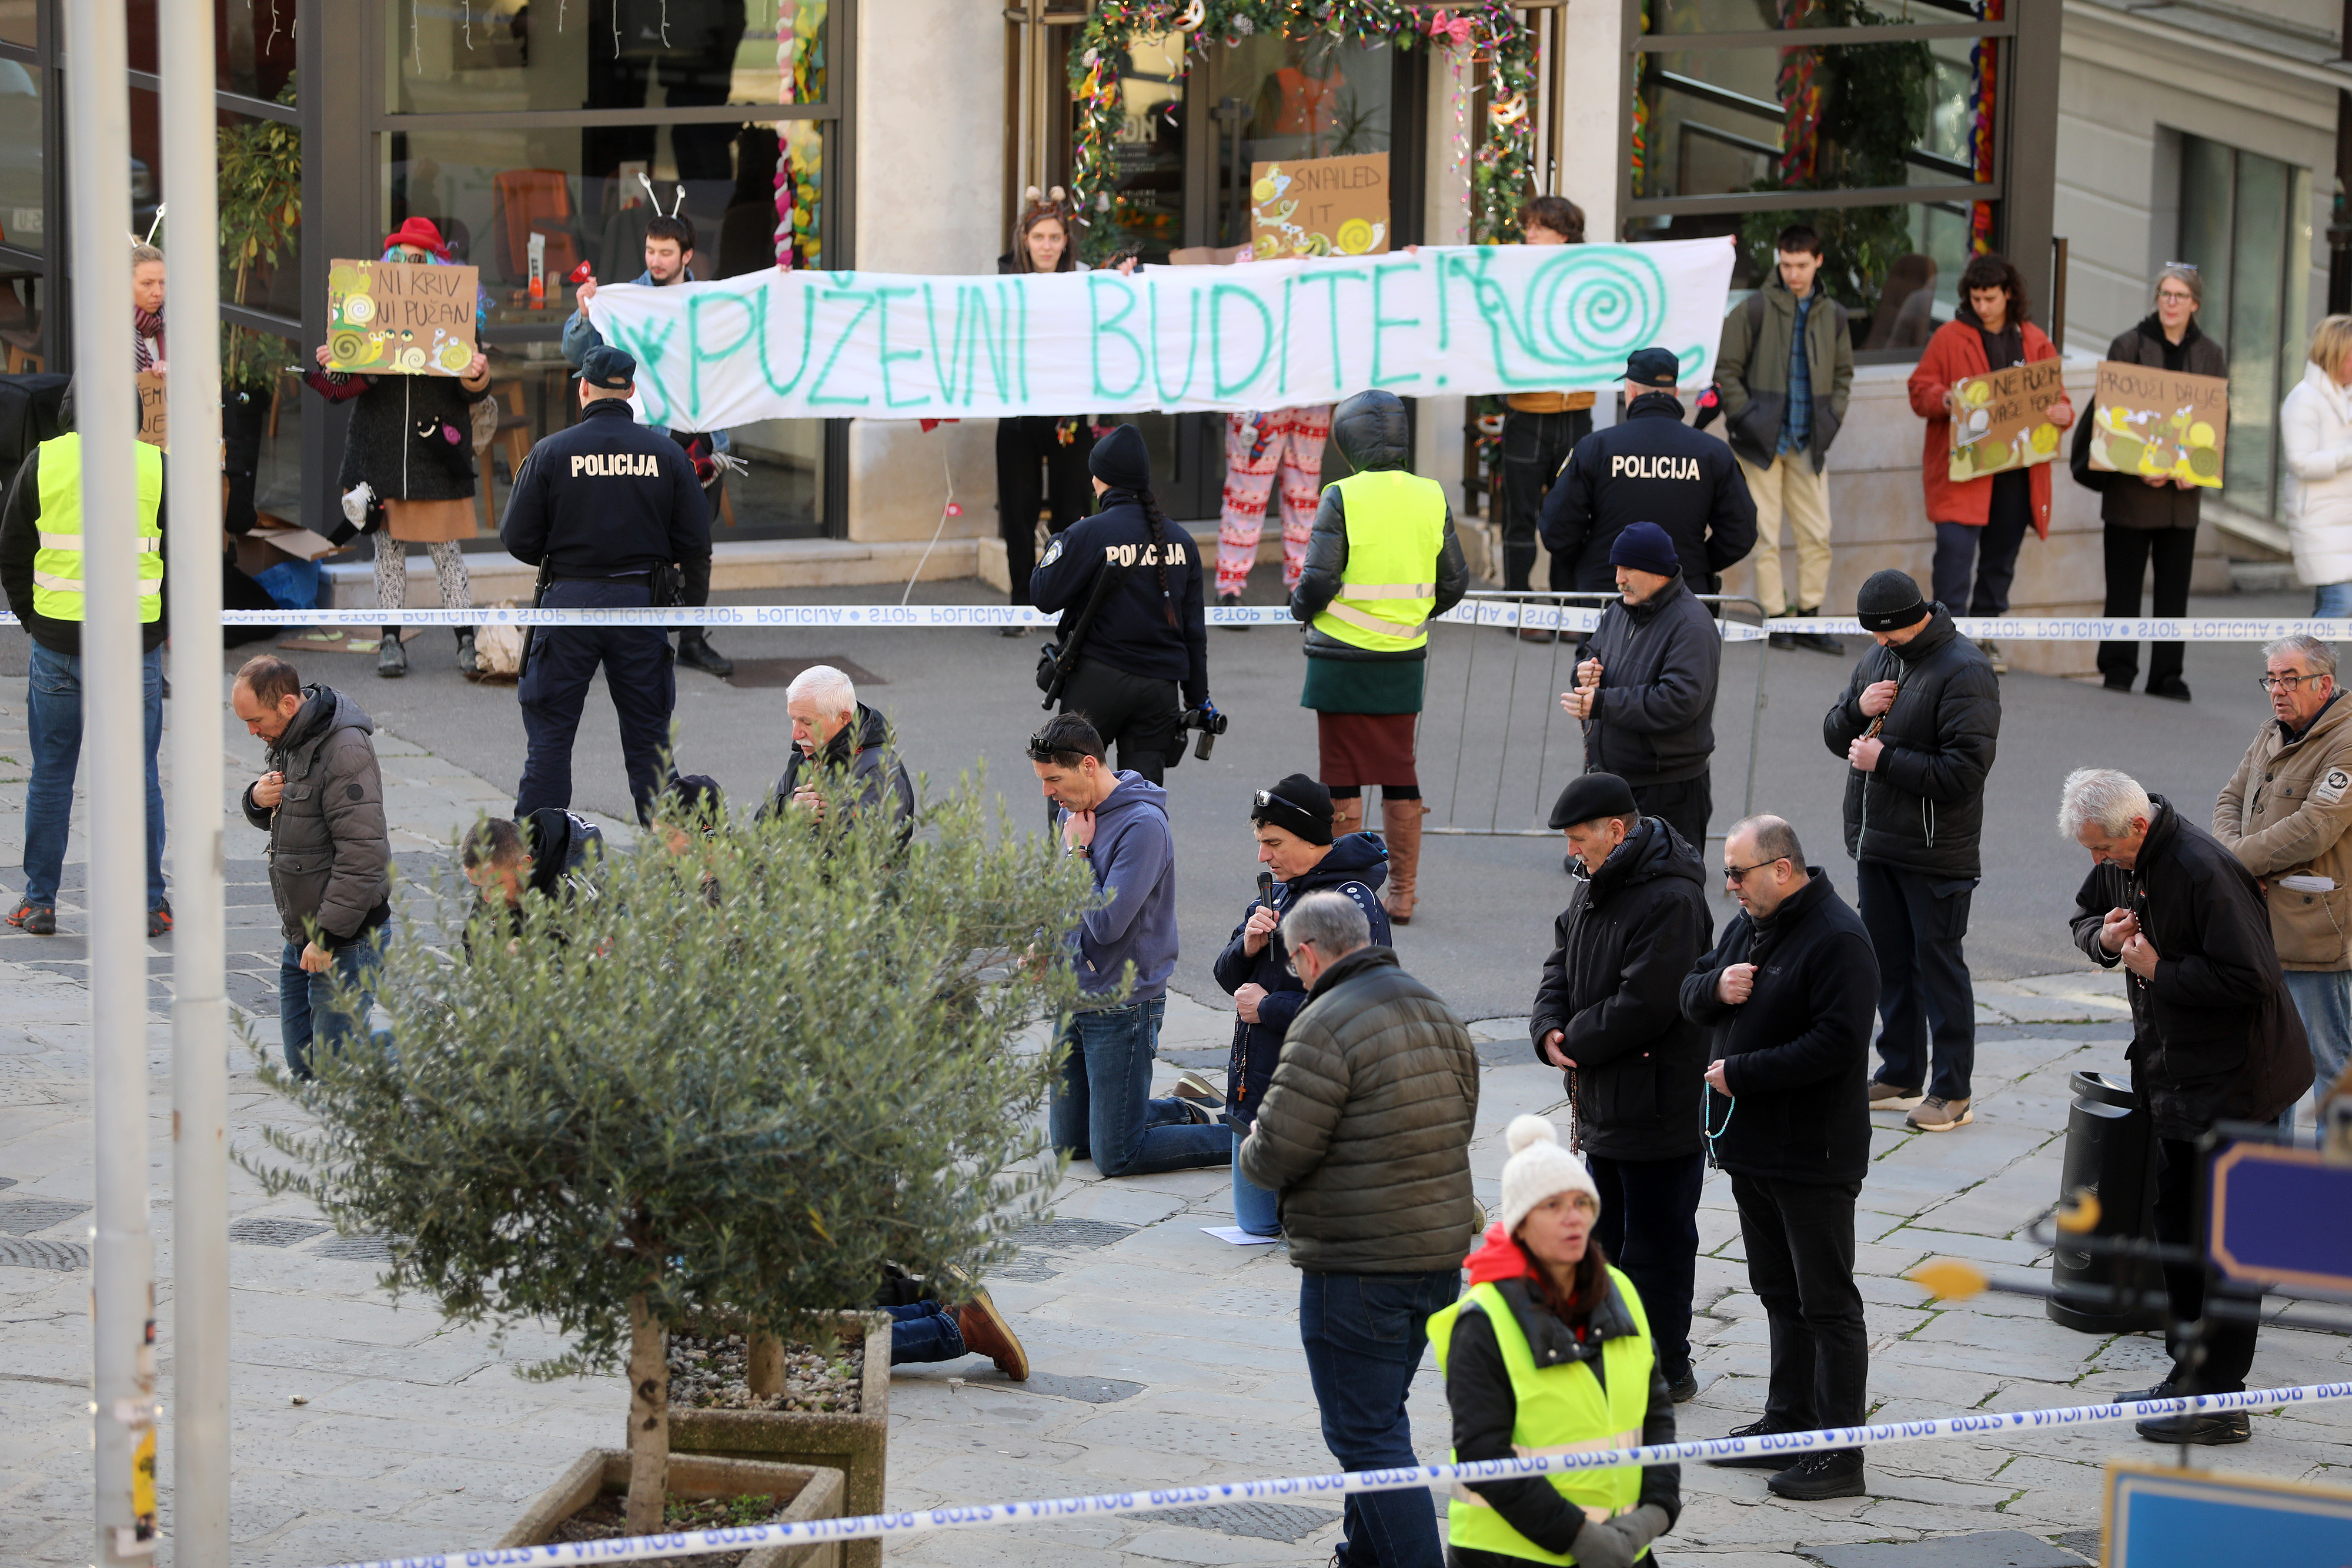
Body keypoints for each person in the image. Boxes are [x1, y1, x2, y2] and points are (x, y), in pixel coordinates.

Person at [2060, 769, 2310, 1441]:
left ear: (2135, 829)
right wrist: (2106, 943)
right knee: (2175, 1228)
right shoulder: (2120, 856)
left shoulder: (2204, 870)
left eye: (2103, 851)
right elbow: (2084, 917)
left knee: (2224, 1244)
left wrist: (2156, 971)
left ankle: (2219, 1399)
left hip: (2239, 1086)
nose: (2096, 864)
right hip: (2174, 1081)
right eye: (2089, 852)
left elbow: (2251, 978)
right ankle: (2187, 1374)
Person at [1239, 891, 1479, 1568]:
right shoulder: (1432, 1006)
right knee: (1379, 1418)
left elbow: (1278, 1151)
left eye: (1293, 962)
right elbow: (1459, 1119)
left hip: (1357, 1262)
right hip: (1436, 1256)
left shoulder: (1324, 1021)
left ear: (1309, 953)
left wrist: (1257, 1139)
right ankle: (1363, 1558)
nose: (1296, 974)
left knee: (1365, 1434)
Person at [1679, 815, 1876, 1501]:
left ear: (1782, 869)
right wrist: (1714, 990)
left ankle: (1838, 1454)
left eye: (1738, 873)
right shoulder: (1749, 923)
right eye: (1728, 873)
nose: (1729, 885)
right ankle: (1789, 1419)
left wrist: (1744, 1073)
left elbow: (1838, 1044)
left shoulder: (1838, 939)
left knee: (1827, 1303)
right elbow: (1693, 986)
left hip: (1812, 1154)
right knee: (1776, 1291)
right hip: (1752, 1149)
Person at [1529, 771, 1710, 1405]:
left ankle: (1667, 1365)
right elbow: (1562, 956)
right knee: (1606, 1239)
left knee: (1657, 1245)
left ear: (1616, 830)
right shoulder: (1595, 881)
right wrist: (1548, 1026)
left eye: (1580, 840)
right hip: (1608, 1095)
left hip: (1659, 1101)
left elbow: (1646, 1004)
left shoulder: (1670, 899)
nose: (1571, 854)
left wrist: (1573, 1039)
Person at [1430, 1114, 1680, 1568]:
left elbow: (1655, 1406)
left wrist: (1655, 1512)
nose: (1573, 1217)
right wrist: (1581, 1538)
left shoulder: (1620, 1289)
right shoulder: (1484, 1319)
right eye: (1552, 1205)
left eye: (1582, 1201)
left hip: (1624, 1546)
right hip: (1512, 1554)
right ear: (1520, 1224)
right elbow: (1485, 1456)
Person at [501, 345, 711, 827]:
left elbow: (517, 537)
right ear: (632, 392)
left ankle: (538, 862)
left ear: (584, 389)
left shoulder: (552, 451)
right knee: (650, 744)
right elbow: (696, 539)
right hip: (640, 605)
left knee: (550, 739)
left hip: (568, 603)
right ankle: (677, 861)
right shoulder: (668, 454)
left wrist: (567, 558)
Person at [1822, 570, 2001, 1134]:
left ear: (1913, 618)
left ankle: (1953, 1089)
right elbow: (1835, 733)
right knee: (1889, 964)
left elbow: (1965, 772)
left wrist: (1885, 761)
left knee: (1939, 965)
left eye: (1887, 635)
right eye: (1872, 636)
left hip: (1935, 850)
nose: (1879, 645)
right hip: (1877, 842)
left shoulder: (1966, 670)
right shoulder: (1877, 660)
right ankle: (1901, 1069)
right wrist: (1857, 709)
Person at [0, 381, 172, 938]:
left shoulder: (42, 461)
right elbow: (187, 552)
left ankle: (39, 902)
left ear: (69, 411)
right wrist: (160, 626)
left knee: (51, 775)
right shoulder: (156, 466)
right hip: (133, 645)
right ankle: (150, 904)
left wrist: (33, 618)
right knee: (140, 776)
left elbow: (12, 547)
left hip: (58, 644)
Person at [1292, 389, 1470, 924]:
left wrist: (1299, 605)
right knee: (1400, 770)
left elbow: (1318, 579)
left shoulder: (1341, 495)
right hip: (1402, 657)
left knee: (1341, 774)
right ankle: (1403, 893)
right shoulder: (1431, 494)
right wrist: (1411, 614)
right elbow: (1454, 581)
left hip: (1340, 660)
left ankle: (1349, 894)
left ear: (1349, 441)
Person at [1030, 713, 1228, 1177]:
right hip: (1072, 993)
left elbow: (1107, 924)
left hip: (1122, 1003)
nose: (1048, 792)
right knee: (1071, 1145)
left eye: (1053, 779)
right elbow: (1064, 897)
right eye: (1042, 780)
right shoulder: (1071, 811)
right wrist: (1044, 944)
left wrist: (1079, 854)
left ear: (1088, 765)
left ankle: (1245, 1136)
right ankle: (1184, 1106)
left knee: (1117, 1154)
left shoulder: (1143, 827)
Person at [302, 218, 492, 679]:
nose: (409, 266)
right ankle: (390, 639)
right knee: (387, 552)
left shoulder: (455, 314)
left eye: (419, 259)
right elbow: (341, 386)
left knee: (447, 552)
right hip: (379, 450)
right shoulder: (367, 310)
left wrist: (476, 372)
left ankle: (465, 639)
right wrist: (335, 359)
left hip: (435, 453)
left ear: (435, 265)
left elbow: (474, 392)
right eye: (401, 258)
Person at [1211, 774, 1391, 1236]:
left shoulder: (1352, 903)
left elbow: (1355, 1008)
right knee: (1256, 1223)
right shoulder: (1277, 891)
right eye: (1259, 842)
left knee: (1314, 1231)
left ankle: (1411, 1195)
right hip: (1257, 1096)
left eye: (1274, 842)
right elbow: (1228, 978)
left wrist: (1269, 1007)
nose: (1262, 856)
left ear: (1312, 839)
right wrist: (1247, 947)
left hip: (1317, 1102)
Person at [564, 211, 735, 677]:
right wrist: (584, 315)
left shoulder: (714, 301)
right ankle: (642, 640)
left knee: (697, 546)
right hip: (647, 444)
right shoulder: (626, 300)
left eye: (665, 253)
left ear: (686, 256)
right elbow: (576, 354)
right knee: (644, 545)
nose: (655, 261)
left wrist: (777, 287)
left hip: (702, 448)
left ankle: (693, 640)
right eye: (650, 251)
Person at [1907, 252, 2075, 674]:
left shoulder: (2035, 340)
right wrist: (1945, 398)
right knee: (1954, 556)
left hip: (2017, 476)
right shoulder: (1949, 337)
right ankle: (1944, 642)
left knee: (2000, 561)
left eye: (1991, 298)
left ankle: (1983, 637)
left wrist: (2062, 415)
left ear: (2009, 295)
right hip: (1963, 475)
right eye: (1976, 298)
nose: (1983, 306)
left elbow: (2060, 401)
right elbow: (1919, 389)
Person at [2215, 636, 2352, 1134]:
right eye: (2271, 678)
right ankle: (2272, 1185)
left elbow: (2316, 826)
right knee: (2271, 1071)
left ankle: (2335, 1193)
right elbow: (2229, 798)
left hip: (2316, 934)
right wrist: (2232, 857)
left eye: (2289, 678)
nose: (2277, 690)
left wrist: (2235, 862)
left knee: (2332, 1071)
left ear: (2325, 684)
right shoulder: (2271, 732)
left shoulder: (2346, 740)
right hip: (2262, 931)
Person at [231, 656, 392, 1081]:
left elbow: (363, 855)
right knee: (304, 1063)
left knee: (332, 1070)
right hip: (302, 933)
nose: (251, 731)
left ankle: (428, 1046)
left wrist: (327, 937)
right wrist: (255, 799)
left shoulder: (344, 751)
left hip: (345, 937)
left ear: (287, 704)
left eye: (255, 720)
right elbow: (291, 816)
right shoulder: (291, 738)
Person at [2072, 265, 2227, 697]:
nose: (2171, 302)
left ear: (2195, 303)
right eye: (2165, 293)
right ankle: (2118, 669)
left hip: (2181, 498)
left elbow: (2217, 420)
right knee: (2123, 588)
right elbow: (2112, 417)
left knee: (2173, 593)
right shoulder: (2129, 344)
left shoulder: (2211, 353)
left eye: (2180, 295)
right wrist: (2139, 464)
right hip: (2131, 493)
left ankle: (2166, 675)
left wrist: (2193, 469)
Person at [1030, 423, 1208, 786]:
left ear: (1100, 479)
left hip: (1097, 683)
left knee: (1072, 792)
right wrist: (1197, 697)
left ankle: (1075, 848)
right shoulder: (1182, 542)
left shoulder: (1088, 534)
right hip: (1159, 691)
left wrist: (1065, 541)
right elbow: (1194, 633)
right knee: (1141, 802)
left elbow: (1043, 595)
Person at [1715, 223, 1853, 656]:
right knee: (1765, 535)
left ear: (1818, 263)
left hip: (1809, 440)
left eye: (1802, 265)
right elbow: (1726, 370)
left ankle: (1810, 617)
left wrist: (1831, 420)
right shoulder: (1754, 308)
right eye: (1787, 264)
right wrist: (1749, 418)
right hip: (1760, 443)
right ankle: (1776, 618)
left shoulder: (1834, 315)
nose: (1794, 273)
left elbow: (1844, 375)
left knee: (1818, 533)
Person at [1540, 347, 1756, 597]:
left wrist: (1595, 563)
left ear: (1630, 391)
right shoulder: (1713, 454)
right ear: (1675, 393)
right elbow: (1741, 533)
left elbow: (1556, 528)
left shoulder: (1595, 448)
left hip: (1606, 597)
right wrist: (1694, 565)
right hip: (1684, 599)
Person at [1558, 521, 1722, 850]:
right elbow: (1591, 652)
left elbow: (1678, 701)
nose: (1619, 578)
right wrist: (1584, 673)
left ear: (1658, 572)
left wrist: (1601, 703)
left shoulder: (1692, 626)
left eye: (1628, 568)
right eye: (1618, 567)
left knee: (1665, 895)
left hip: (1668, 791)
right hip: (1616, 781)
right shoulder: (1620, 610)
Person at [996, 188, 1100, 624]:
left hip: (1067, 415)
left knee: (1071, 510)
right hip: (1019, 416)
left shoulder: (1087, 282)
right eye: (1039, 236)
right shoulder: (1002, 284)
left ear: (1065, 242)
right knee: (1018, 511)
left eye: (1055, 237)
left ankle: (1063, 600)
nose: (1046, 245)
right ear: (1025, 239)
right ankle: (1021, 600)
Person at [1495, 195, 1593, 604]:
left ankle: (1566, 604)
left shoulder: (1593, 274)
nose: (1528, 234)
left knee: (1570, 514)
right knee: (1520, 516)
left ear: (1565, 234)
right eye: (1528, 226)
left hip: (1576, 412)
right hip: (1527, 412)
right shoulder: (1511, 272)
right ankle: (1519, 602)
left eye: (1539, 227)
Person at [763, 663, 916, 844]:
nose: (796, 734)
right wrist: (785, 807)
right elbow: (760, 833)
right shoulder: (806, 754)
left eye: (807, 723)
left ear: (843, 718)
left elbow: (858, 860)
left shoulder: (880, 771)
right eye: (793, 720)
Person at [2279, 313, 2352, 620]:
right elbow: (2301, 462)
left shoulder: (2346, 396)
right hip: (2319, 520)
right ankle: (2299, 670)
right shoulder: (2303, 398)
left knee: (2334, 604)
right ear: (2335, 355)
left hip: (2343, 519)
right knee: (2339, 605)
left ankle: (2303, 669)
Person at [132, 240, 166, 375]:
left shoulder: (176, 326)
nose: (158, 292)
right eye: (147, 284)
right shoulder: (109, 334)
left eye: (162, 283)